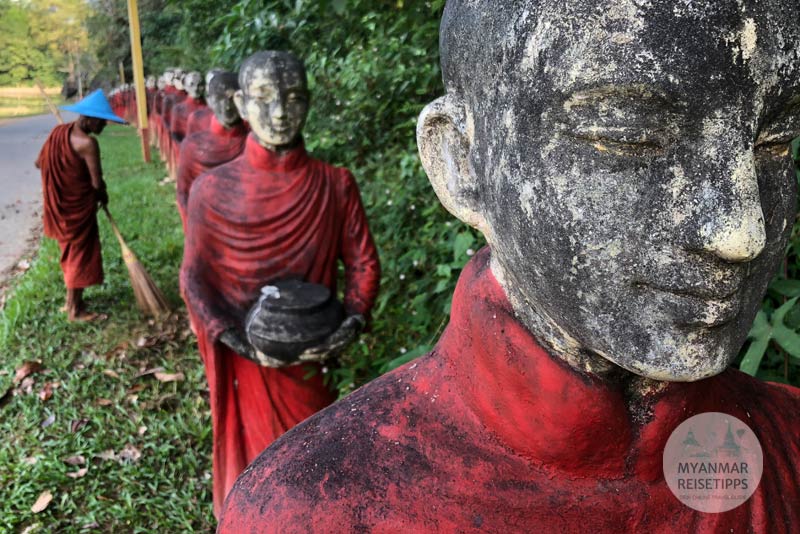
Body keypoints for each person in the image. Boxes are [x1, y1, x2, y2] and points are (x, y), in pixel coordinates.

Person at [218, 2, 800, 532]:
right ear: (461, 161)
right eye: (631, 134)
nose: (742, 232)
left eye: (775, 140)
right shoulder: (307, 510)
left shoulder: (788, 440)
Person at [180, 50, 381, 516]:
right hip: (248, 358)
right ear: (241, 103)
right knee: (257, 474)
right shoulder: (210, 190)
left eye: (293, 98)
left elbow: (363, 263)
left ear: (309, 103)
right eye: (264, 98)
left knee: (311, 467)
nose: (279, 113)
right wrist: (234, 338)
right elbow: (194, 278)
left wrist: (351, 321)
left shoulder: (335, 183)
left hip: (312, 355)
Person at [35, 90, 126, 321]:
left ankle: (70, 302)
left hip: (60, 207)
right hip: (77, 210)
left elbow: (39, 163)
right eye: (102, 119)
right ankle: (75, 311)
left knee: (70, 253)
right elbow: (97, 183)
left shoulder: (58, 133)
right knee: (79, 255)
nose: (105, 124)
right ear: (88, 118)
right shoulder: (88, 143)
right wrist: (102, 196)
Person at [176, 72, 247, 230]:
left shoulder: (255, 139)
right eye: (220, 99)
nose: (227, 106)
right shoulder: (193, 145)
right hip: (207, 224)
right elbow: (183, 195)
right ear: (210, 100)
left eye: (232, 99)